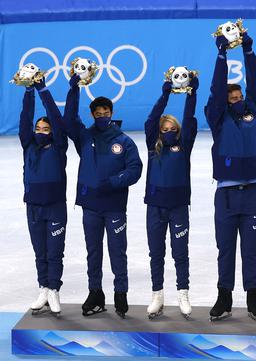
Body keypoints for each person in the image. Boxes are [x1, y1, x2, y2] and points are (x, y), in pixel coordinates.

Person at [64, 74, 143, 319]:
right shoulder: (85, 137)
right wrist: (74, 89)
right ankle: (95, 293)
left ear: (111, 112)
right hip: (90, 206)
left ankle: (121, 294)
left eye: (105, 111)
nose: (101, 115)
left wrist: (114, 182)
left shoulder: (124, 141)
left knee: (118, 251)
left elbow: (135, 169)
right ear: (92, 115)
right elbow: (69, 120)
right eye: (97, 113)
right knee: (93, 251)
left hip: (114, 206)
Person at [205, 31, 256, 322]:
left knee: (251, 251)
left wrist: (248, 51)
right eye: (232, 97)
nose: (238, 100)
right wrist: (222, 54)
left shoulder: (253, 111)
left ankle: (253, 296)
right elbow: (217, 90)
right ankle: (224, 297)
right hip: (226, 196)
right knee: (225, 249)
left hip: (253, 193)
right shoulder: (217, 117)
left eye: (239, 96)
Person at [144, 76, 199, 319]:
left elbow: (189, 119)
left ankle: (183, 293)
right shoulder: (151, 146)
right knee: (156, 252)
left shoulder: (183, 145)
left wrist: (191, 95)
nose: (168, 132)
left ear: (178, 131)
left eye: (172, 130)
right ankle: (157, 294)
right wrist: (165, 95)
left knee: (180, 253)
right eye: (164, 130)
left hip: (178, 208)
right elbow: (150, 120)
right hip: (155, 208)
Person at [19, 78, 68, 317]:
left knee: (54, 252)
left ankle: (54, 290)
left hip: (56, 207)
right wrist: (28, 91)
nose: (40, 132)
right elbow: (25, 118)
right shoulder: (28, 145)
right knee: (40, 252)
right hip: (33, 208)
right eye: (38, 129)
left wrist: (41, 88)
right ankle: (44, 288)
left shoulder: (59, 146)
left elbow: (56, 119)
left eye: (45, 129)